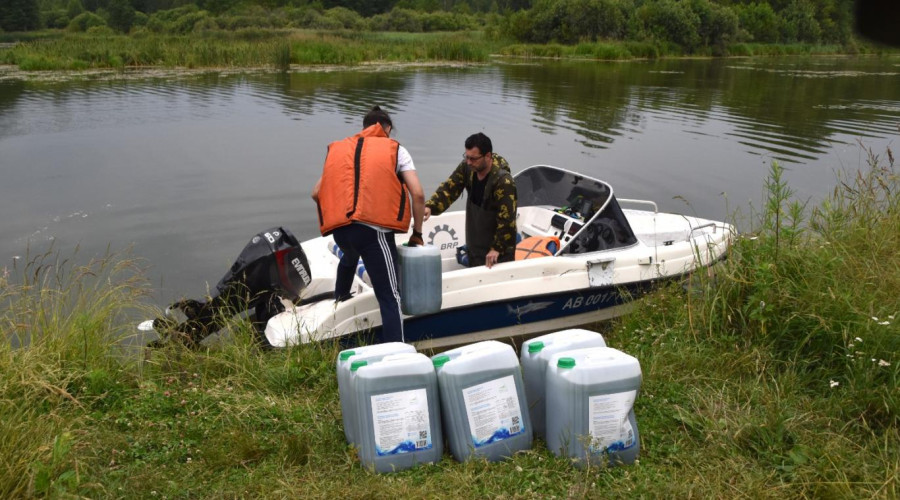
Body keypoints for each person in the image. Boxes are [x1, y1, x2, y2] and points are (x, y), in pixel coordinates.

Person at [312, 106, 425, 343]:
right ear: (387, 129)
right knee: (390, 296)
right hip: (373, 233)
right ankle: (397, 352)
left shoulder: (341, 150)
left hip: (341, 230)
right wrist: (417, 233)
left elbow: (316, 193)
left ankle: (341, 299)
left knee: (351, 254)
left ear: (364, 127)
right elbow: (417, 194)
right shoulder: (396, 149)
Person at [424, 133, 517, 268]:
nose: (468, 162)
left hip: (498, 252)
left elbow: (507, 219)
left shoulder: (504, 182)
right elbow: (450, 188)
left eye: (473, 159)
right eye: (466, 157)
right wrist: (430, 207)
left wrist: (497, 248)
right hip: (475, 243)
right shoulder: (467, 168)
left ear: (488, 156)